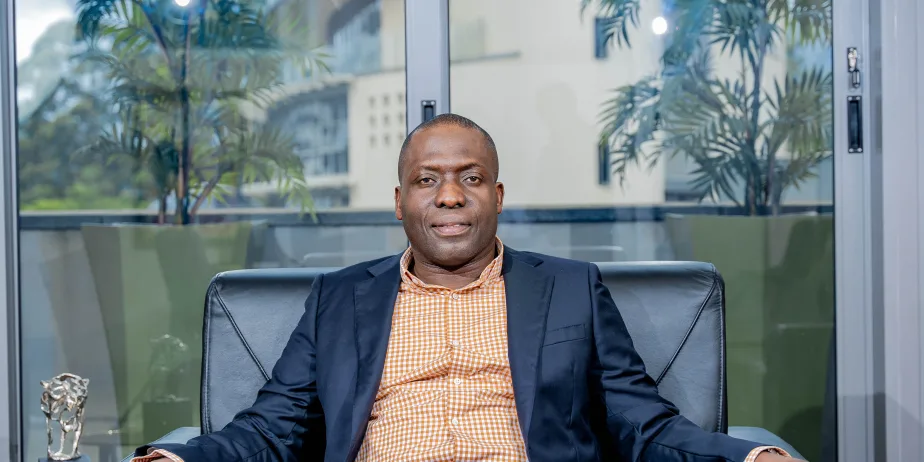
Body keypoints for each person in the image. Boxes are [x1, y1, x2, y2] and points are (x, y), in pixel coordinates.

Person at [133, 114, 802, 462]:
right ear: (400, 201)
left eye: (471, 178)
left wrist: (752, 457)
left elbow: (642, 425)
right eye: (428, 180)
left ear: (498, 196)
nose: (450, 196)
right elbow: (271, 430)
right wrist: (174, 459)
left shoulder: (571, 289)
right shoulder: (338, 299)